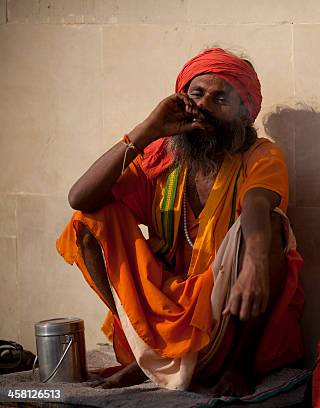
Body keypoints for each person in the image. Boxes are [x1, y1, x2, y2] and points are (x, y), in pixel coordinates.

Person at [56, 48, 304, 396]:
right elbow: (79, 198)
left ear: (245, 112)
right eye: (196, 93)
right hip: (163, 310)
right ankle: (143, 349)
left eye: (221, 98)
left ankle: (237, 367)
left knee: (270, 228)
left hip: (225, 319)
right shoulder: (162, 160)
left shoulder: (260, 155)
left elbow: (258, 205)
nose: (204, 106)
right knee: (89, 219)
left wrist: (255, 265)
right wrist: (146, 130)